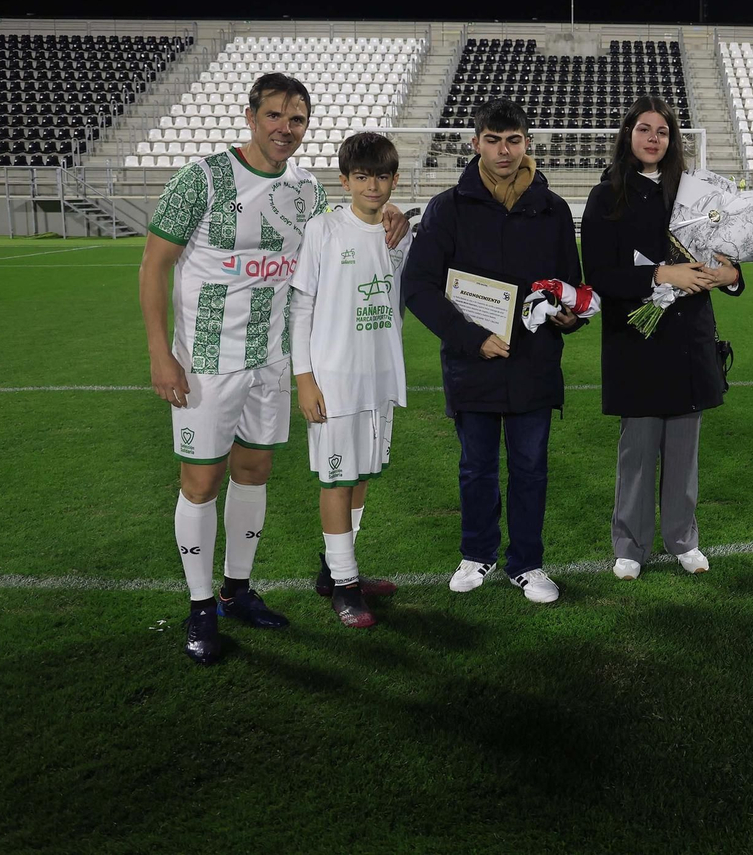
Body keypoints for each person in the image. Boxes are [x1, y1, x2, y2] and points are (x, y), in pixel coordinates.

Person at [139, 72, 407, 663]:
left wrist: (395, 216)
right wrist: (161, 353)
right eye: (275, 117)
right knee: (201, 481)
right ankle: (200, 606)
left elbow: (352, 222)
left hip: (271, 360)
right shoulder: (202, 180)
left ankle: (238, 592)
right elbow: (154, 265)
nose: (286, 129)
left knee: (254, 472)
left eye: (298, 119)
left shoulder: (306, 191)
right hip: (206, 360)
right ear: (251, 115)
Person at [400, 99, 587, 604]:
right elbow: (417, 286)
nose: (503, 151)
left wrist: (570, 317)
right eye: (492, 140)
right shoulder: (447, 207)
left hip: (534, 362)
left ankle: (527, 563)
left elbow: (569, 285)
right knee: (476, 468)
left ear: (528, 142)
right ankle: (477, 552)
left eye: (513, 140)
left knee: (531, 469)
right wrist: (470, 339)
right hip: (472, 363)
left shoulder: (553, 208)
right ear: (474, 142)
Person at [581, 96, 743, 581]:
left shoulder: (695, 193)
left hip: (689, 337)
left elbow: (728, 256)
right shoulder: (605, 194)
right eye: (645, 129)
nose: (654, 138)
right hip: (637, 339)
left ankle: (682, 538)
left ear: (672, 141)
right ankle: (629, 544)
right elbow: (600, 274)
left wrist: (730, 274)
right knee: (638, 449)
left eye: (663, 132)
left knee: (683, 449)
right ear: (628, 133)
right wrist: (661, 275)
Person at [289, 132, 410, 628]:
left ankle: (335, 570)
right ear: (344, 181)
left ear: (394, 179)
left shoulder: (399, 232)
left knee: (359, 475)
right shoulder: (323, 230)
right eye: (362, 176)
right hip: (333, 377)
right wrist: (305, 379)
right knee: (336, 478)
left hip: (379, 375)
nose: (373, 185)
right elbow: (301, 308)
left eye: (382, 176)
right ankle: (344, 586)